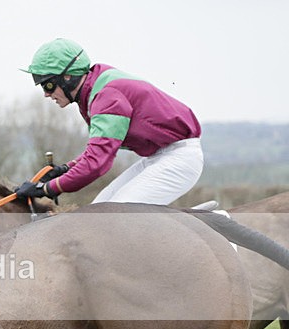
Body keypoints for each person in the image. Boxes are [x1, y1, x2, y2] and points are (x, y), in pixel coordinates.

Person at [15, 38, 203, 205]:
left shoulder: (106, 97)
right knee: (98, 210)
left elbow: (97, 162)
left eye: (48, 85)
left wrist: (47, 189)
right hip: (160, 156)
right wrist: (66, 169)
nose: (47, 94)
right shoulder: (94, 89)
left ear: (67, 77)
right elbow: (99, 150)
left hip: (179, 158)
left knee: (115, 218)